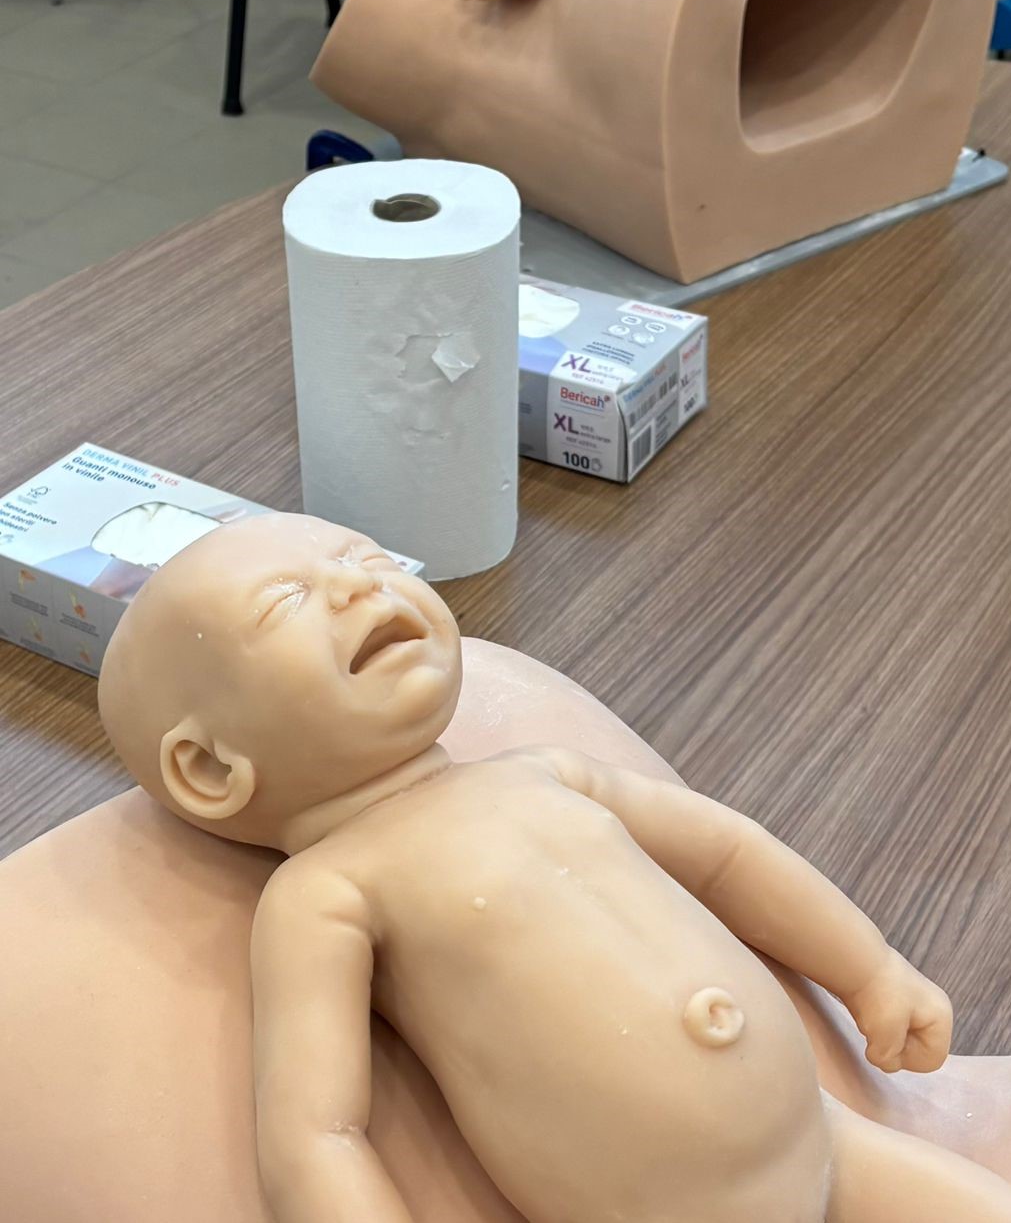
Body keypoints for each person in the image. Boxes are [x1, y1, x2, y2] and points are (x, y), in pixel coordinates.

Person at [97, 514, 1011, 1223]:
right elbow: (315, 1130)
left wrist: (869, 969)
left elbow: (728, 855)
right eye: (285, 602)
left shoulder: (545, 773)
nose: (353, 583)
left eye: (364, 556)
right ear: (209, 770)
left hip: (828, 1143)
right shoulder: (326, 895)